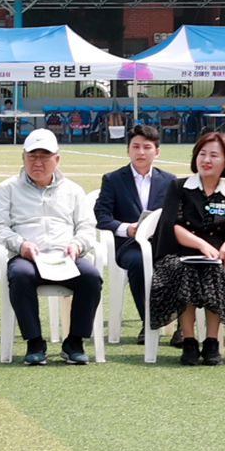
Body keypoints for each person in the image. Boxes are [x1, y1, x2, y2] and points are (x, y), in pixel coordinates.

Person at [0, 128, 101, 365]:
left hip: (65, 256)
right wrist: (21, 244)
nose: (38, 162)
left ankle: (75, 341)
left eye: (44, 156)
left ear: (56, 159)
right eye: (32, 156)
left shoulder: (73, 190)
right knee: (19, 274)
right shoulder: (7, 189)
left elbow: (87, 227)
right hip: (27, 257)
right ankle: (35, 341)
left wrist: (76, 245)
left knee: (91, 276)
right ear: (23, 158)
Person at [149, 131, 225, 365]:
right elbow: (172, 225)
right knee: (187, 273)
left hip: (217, 259)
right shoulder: (179, 187)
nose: (206, 160)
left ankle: (212, 342)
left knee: (218, 271)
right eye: (202, 154)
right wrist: (203, 245)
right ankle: (189, 341)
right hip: (179, 256)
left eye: (214, 155)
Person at [93, 122, 175, 333]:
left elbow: (179, 215)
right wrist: (126, 228)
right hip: (129, 245)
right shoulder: (112, 179)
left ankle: (182, 328)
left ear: (157, 152)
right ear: (128, 150)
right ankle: (149, 323)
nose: (141, 152)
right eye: (136, 146)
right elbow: (102, 216)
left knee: (180, 264)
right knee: (139, 263)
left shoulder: (170, 181)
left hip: (161, 244)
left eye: (147, 147)